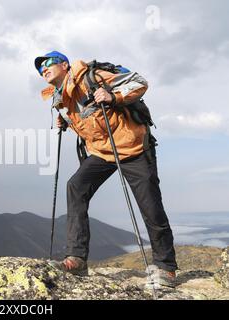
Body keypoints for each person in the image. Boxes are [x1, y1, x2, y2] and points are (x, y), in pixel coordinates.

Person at [34, 51, 178, 288]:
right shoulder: (62, 97)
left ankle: (166, 268)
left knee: (150, 205)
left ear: (64, 64)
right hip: (103, 151)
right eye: (40, 70)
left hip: (133, 147)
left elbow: (140, 82)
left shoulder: (92, 76)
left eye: (48, 64)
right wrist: (67, 123)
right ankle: (77, 259)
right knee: (76, 186)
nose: (44, 70)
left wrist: (114, 95)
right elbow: (91, 120)